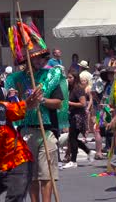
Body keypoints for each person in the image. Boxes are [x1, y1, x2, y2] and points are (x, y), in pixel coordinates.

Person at [5, 22, 68, 202]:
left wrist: (42, 100)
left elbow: (58, 103)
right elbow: (12, 104)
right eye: (37, 58)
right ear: (28, 60)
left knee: (46, 174)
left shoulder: (51, 76)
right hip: (26, 130)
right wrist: (13, 97)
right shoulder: (16, 79)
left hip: (46, 130)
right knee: (31, 174)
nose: (41, 61)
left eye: (43, 58)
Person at [62, 70, 95, 169]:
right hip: (73, 115)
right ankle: (88, 152)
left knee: (72, 138)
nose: (68, 79)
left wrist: (69, 103)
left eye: (70, 77)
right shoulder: (71, 88)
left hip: (78, 117)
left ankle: (73, 161)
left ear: (75, 78)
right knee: (73, 138)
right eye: (68, 77)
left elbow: (83, 103)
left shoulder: (78, 89)